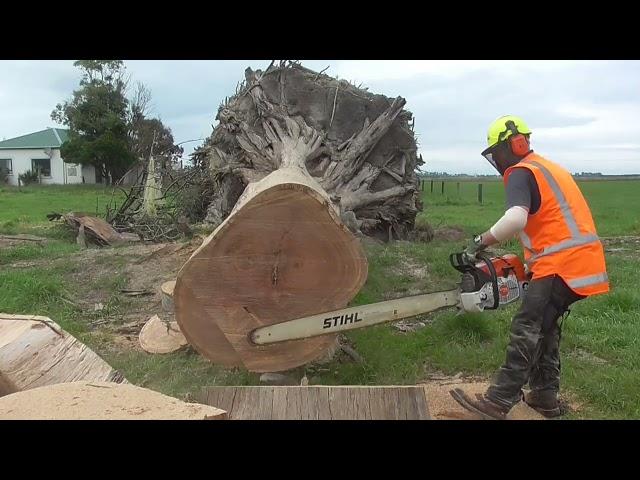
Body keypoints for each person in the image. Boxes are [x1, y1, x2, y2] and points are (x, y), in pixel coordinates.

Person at [450, 115, 610, 419]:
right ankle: (545, 396)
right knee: (545, 328)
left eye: (496, 152)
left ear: (513, 145)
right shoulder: (549, 167)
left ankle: (499, 400)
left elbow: (516, 219)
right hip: (582, 263)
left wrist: (481, 241)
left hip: (561, 264)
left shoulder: (521, 172)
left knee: (527, 327)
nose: (497, 160)